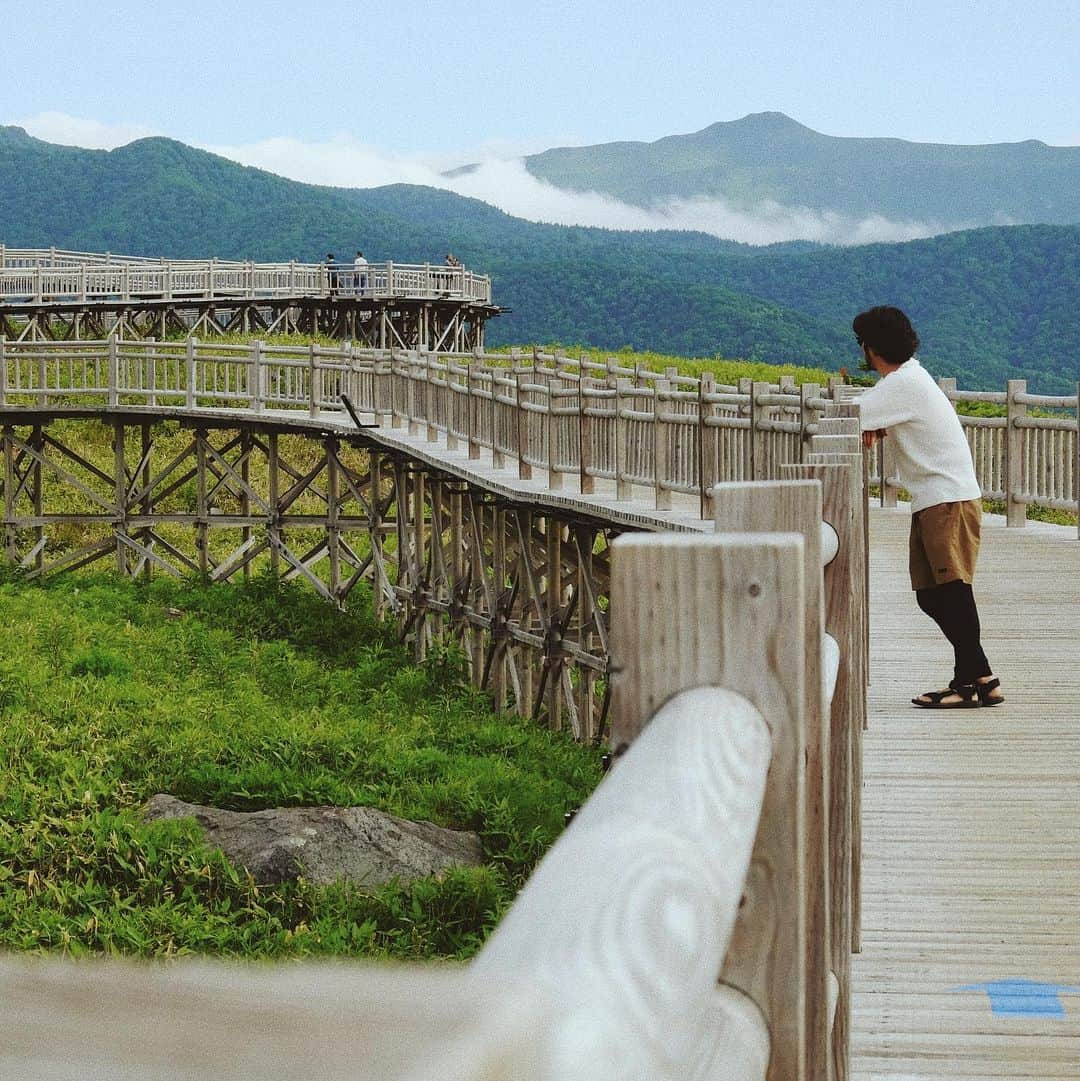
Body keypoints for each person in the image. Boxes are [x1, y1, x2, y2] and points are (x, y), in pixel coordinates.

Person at [854, 305, 1004, 709]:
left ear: (871, 348)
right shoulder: (910, 380)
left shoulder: (902, 383)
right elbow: (867, 415)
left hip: (946, 500)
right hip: (940, 499)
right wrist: (878, 424)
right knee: (933, 594)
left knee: (951, 590)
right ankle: (977, 677)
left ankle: (974, 680)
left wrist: (871, 423)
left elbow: (846, 416)